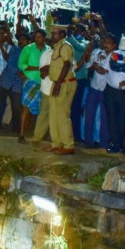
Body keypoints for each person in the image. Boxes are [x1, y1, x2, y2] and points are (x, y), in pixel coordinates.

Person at [46, 24, 77, 154]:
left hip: (64, 83)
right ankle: (57, 143)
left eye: (55, 33)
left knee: (63, 114)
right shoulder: (57, 46)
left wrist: (58, 84)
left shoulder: (65, 46)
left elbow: (66, 64)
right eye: (52, 33)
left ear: (63, 35)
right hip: (58, 82)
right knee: (53, 114)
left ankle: (68, 145)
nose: (53, 35)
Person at [83, 34, 116, 148]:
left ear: (114, 45)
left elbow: (103, 71)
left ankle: (103, 143)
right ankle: (88, 141)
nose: (105, 44)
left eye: (108, 42)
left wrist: (96, 65)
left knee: (104, 117)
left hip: (106, 89)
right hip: (94, 87)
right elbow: (88, 66)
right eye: (104, 41)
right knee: (89, 114)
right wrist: (90, 56)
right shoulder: (97, 52)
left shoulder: (116, 56)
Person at [18, 28, 49, 143]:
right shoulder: (28, 49)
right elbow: (21, 64)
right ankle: (21, 134)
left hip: (44, 82)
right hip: (30, 81)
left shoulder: (49, 50)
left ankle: (38, 134)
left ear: (44, 38)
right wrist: (37, 68)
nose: (37, 39)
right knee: (26, 107)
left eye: (39, 37)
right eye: (35, 37)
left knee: (42, 109)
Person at [104, 36, 125, 155]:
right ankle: (114, 143)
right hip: (110, 90)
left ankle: (121, 144)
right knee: (111, 117)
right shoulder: (113, 54)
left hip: (124, 93)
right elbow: (105, 68)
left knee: (121, 118)